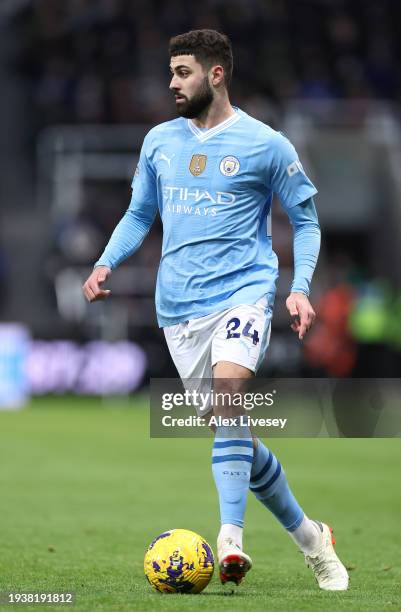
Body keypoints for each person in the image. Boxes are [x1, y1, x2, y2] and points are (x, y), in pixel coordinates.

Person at [82, 29, 348, 591]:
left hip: (244, 292)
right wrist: (105, 262)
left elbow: (306, 222)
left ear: (216, 73)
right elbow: (138, 214)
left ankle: (230, 538)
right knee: (237, 438)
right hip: (178, 308)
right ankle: (310, 537)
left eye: (183, 72)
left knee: (231, 402)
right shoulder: (159, 141)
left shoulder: (266, 144)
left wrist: (299, 286)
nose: (172, 83)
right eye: (172, 72)